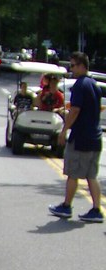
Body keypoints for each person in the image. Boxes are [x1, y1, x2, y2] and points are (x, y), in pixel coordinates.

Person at [49, 52, 103, 222]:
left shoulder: (80, 85)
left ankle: (66, 206)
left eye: (72, 65)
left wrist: (64, 130)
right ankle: (96, 210)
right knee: (91, 176)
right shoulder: (95, 84)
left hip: (81, 138)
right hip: (95, 137)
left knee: (72, 173)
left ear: (81, 66)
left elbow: (76, 110)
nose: (71, 69)